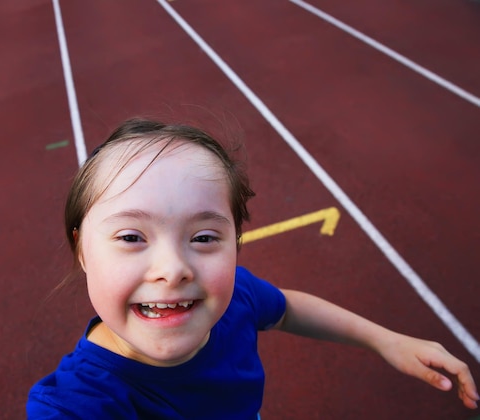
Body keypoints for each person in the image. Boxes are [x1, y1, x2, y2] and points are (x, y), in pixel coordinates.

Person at [27, 118, 478, 419]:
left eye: (204, 238)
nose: (173, 269)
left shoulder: (232, 297)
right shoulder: (74, 405)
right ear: (81, 250)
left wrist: (387, 340)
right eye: (131, 237)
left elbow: (285, 310)